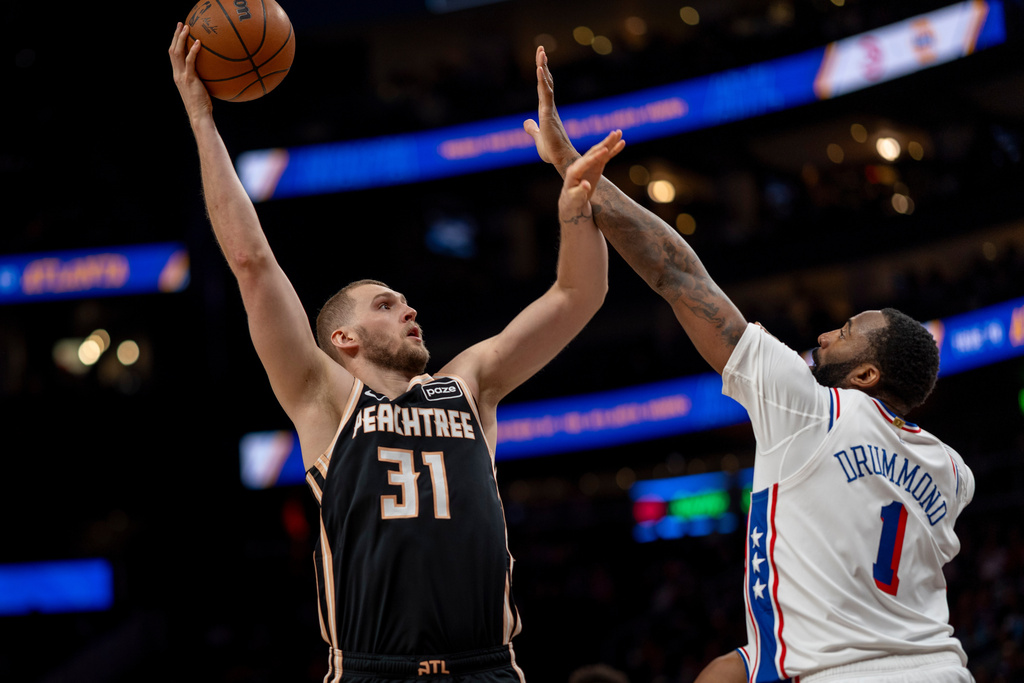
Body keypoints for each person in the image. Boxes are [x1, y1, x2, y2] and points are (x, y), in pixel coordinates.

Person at [169, 25, 624, 683]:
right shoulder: (325, 398)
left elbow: (579, 293)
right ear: (342, 340)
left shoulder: (467, 383)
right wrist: (202, 118)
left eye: (405, 300)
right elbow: (251, 260)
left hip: (488, 668)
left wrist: (576, 193)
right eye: (384, 303)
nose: (408, 309)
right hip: (371, 670)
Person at [523, 46, 976, 683]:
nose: (824, 333)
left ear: (868, 374)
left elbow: (677, 274)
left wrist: (578, 175)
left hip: (844, 676)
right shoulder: (953, 472)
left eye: (845, 332)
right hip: (941, 669)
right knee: (725, 672)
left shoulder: (811, 407)